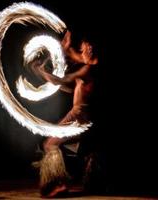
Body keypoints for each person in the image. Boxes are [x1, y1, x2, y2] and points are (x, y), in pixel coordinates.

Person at [29, 30, 98, 197]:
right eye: (81, 50)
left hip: (79, 115)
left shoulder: (89, 69)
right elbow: (69, 85)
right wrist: (65, 48)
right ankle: (95, 181)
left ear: (91, 48)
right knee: (87, 151)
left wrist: (40, 71)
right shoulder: (90, 67)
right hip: (85, 114)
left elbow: (63, 80)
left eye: (84, 49)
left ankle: (56, 184)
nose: (82, 53)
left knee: (50, 144)